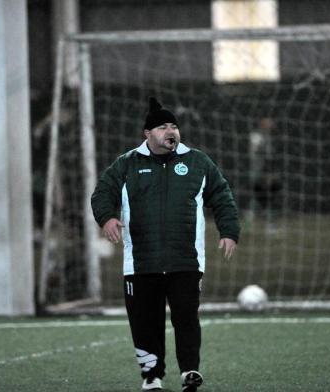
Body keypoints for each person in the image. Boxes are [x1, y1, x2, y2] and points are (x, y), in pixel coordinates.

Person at [91, 97, 240, 392]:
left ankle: (189, 371)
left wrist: (229, 231)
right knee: (146, 320)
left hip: (186, 259)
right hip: (141, 262)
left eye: (174, 126)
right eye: (163, 126)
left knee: (186, 317)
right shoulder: (127, 164)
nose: (171, 131)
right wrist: (107, 218)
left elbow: (222, 196)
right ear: (148, 134)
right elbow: (102, 194)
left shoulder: (197, 162)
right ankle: (152, 376)